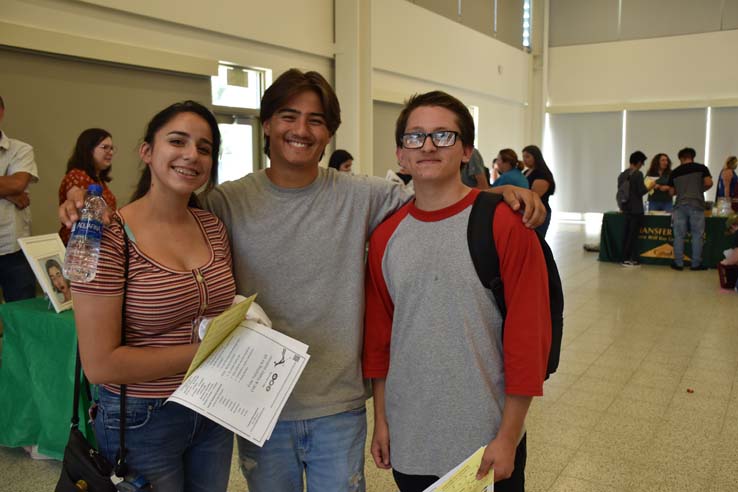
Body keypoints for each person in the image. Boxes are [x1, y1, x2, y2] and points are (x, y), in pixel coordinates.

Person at [60, 69, 546, 492]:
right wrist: (86, 203)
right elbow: (160, 208)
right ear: (267, 124)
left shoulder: (366, 197)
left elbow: (437, 195)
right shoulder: (225, 204)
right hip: (254, 406)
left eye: (316, 120)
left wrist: (499, 193)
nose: (301, 129)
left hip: (338, 405)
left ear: (329, 132)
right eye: (288, 116)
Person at [363, 91, 550, 492]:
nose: (428, 146)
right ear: (400, 154)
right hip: (410, 438)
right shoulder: (385, 237)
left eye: (443, 136)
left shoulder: (506, 226)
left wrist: (508, 436)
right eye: (415, 137)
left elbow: (528, 338)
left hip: (484, 441)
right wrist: (382, 420)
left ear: (466, 151)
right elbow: (381, 339)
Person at [71, 101, 237, 492]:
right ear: (147, 152)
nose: (191, 155)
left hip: (212, 406)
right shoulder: (108, 236)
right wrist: (210, 350)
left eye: (205, 148)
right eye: (177, 141)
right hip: (141, 419)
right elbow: (99, 365)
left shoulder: (212, 226)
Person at [0, 95, 39, 302]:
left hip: (14, 248)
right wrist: (9, 193)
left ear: (1, 112)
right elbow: (12, 187)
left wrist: (12, 189)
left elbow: (18, 184)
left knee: (22, 317)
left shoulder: (20, 149)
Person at [58, 128, 118, 244]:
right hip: (80, 244)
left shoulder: (100, 181)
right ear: (88, 149)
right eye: (105, 147)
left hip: (98, 243)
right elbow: (78, 206)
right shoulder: (76, 175)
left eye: (111, 148)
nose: (110, 152)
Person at [668, 147, 713, 271]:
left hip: (680, 206)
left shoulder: (675, 172)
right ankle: (696, 264)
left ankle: (678, 263)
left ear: (681, 158)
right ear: (692, 157)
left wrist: (682, 191)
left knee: (679, 235)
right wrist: (699, 190)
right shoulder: (702, 168)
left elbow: (671, 192)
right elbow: (709, 183)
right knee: (697, 235)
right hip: (697, 204)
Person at [617, 151, 651, 267]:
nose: (642, 165)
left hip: (625, 208)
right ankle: (628, 259)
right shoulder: (638, 174)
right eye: (642, 163)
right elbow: (640, 191)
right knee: (632, 236)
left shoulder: (622, 175)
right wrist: (650, 186)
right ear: (639, 162)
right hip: (636, 210)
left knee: (626, 235)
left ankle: (623, 257)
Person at [522, 144, 556, 237]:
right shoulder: (525, 172)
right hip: (528, 211)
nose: (525, 159)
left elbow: (534, 195)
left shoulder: (542, 173)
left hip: (539, 212)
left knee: (538, 241)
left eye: (527, 156)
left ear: (536, 157)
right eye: (523, 157)